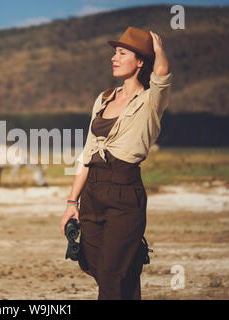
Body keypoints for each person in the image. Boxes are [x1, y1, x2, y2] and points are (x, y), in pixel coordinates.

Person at [60, 26, 172, 300]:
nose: (114, 57)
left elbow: (161, 77)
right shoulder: (103, 98)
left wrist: (158, 51)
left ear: (140, 61)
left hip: (124, 193)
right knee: (98, 266)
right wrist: (71, 203)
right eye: (114, 53)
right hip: (92, 194)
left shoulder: (150, 102)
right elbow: (86, 154)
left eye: (123, 53)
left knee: (111, 275)